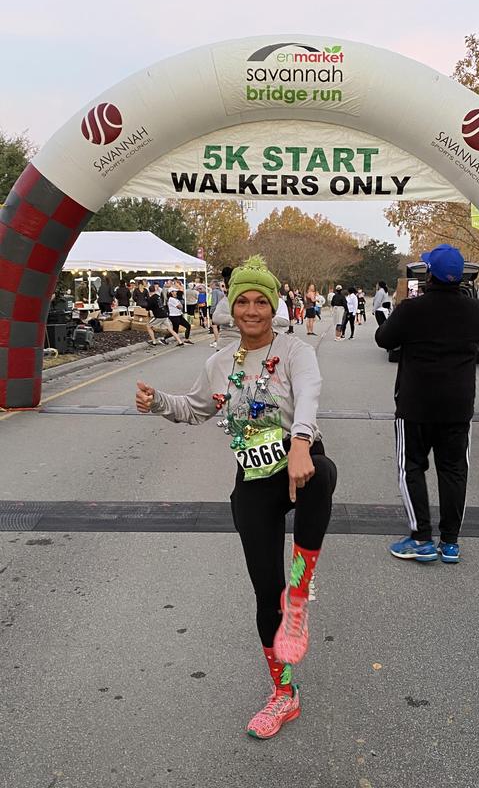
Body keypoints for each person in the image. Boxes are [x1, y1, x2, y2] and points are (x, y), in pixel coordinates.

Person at [135, 255, 337, 739]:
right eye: (243, 301)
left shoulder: (294, 352)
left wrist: (302, 443)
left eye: (260, 302)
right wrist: (158, 402)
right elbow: (196, 407)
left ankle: (301, 594)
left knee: (324, 474)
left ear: (274, 307)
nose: (251, 310)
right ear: (232, 307)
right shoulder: (219, 363)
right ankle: (283, 693)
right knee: (263, 594)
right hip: (254, 478)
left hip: (300, 460)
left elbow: (309, 393)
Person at [375, 244, 479, 564]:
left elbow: (384, 338)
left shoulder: (413, 309)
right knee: (454, 470)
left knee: (411, 467)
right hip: (458, 404)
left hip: (415, 402)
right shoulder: (477, 312)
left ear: (429, 274)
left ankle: (421, 537)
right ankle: (450, 542)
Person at [209, 279, 225, 348]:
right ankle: (220, 340)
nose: (210, 285)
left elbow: (214, 302)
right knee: (220, 327)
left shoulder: (214, 292)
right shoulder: (221, 292)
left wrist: (211, 311)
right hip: (222, 310)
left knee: (214, 326)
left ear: (214, 284)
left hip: (215, 310)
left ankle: (217, 341)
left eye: (211, 284)